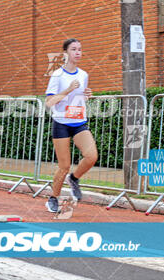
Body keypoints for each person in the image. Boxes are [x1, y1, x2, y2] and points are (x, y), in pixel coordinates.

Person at [44, 38, 97, 213]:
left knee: (91, 156)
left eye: (80, 49)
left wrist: (87, 94)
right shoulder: (57, 75)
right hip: (61, 122)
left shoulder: (84, 74)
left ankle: (74, 179)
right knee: (64, 166)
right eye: (74, 49)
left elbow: (81, 97)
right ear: (66, 53)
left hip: (79, 121)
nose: (78, 52)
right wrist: (67, 90)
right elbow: (49, 102)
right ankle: (53, 197)